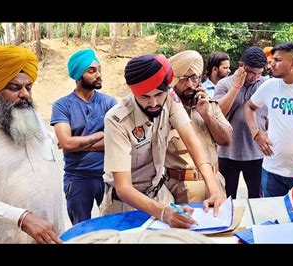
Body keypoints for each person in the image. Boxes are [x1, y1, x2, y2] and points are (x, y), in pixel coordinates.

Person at [100, 54, 225, 228]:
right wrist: (163, 213)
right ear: (133, 92)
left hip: (161, 195)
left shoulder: (169, 98)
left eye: (159, 94)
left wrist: (213, 188)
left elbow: (192, 142)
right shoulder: (117, 120)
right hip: (126, 205)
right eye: (144, 97)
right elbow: (123, 188)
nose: (153, 103)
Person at [0, 45, 65, 243]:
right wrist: (21, 218)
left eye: (28, 87)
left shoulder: (33, 120)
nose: (25, 94)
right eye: (14, 88)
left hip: (55, 237)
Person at [50, 49, 117, 225]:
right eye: (92, 71)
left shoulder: (109, 103)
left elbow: (116, 140)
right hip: (77, 177)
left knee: (113, 226)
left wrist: (74, 143)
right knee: (81, 229)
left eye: (99, 70)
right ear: (79, 75)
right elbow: (66, 142)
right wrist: (101, 134)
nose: (98, 75)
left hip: (108, 176)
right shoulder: (62, 105)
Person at [244, 41, 293, 197]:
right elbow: (249, 107)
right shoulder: (270, 85)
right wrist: (256, 133)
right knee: (273, 216)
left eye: (277, 60)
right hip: (271, 169)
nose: (271, 64)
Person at [165, 50, 232, 204]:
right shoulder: (164, 112)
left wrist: (207, 115)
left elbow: (226, 141)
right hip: (181, 188)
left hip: (215, 184)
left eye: (194, 78)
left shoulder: (210, 106)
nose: (190, 84)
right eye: (184, 79)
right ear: (174, 81)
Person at [213, 46, 269, 199]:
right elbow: (218, 114)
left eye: (259, 73)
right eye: (251, 72)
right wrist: (236, 86)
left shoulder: (266, 84)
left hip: (257, 152)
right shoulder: (224, 84)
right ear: (241, 65)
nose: (255, 77)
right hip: (227, 152)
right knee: (227, 197)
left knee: (257, 198)